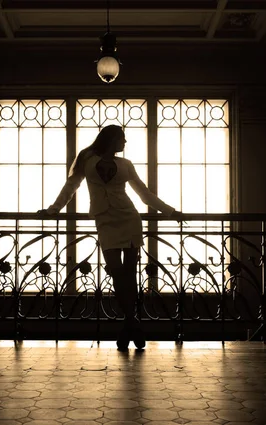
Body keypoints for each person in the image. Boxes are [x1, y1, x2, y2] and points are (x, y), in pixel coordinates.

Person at [38, 125, 183, 350]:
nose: (125, 143)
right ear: (112, 139)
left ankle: (129, 326)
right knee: (117, 272)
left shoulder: (126, 165)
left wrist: (170, 212)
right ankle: (132, 323)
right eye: (122, 139)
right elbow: (71, 187)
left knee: (130, 274)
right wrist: (53, 210)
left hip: (129, 218)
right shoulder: (87, 159)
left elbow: (144, 194)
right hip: (105, 220)